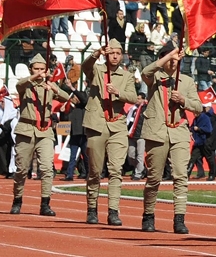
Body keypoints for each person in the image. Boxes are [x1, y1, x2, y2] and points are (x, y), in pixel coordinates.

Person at [140, 43, 202, 234]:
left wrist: (184, 100)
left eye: (177, 60)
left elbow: (198, 107)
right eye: (170, 60)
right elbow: (145, 72)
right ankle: (148, 215)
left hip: (179, 132)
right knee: (154, 178)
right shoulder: (155, 78)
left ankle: (179, 219)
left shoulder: (187, 81)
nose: (174, 63)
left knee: (181, 176)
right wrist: (169, 55)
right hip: (157, 132)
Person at [82, 40, 138, 226]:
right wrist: (97, 52)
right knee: (95, 171)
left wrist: (118, 92)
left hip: (117, 127)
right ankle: (92, 208)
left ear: (122, 55)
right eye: (111, 52)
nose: (114, 56)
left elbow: (133, 97)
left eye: (118, 53)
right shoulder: (97, 70)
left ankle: (113, 211)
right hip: (97, 124)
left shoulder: (127, 76)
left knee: (116, 170)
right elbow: (85, 66)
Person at [11, 54, 70, 216]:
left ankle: (45, 203)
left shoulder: (49, 86)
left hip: (45, 131)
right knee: (22, 169)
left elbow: (67, 98)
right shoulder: (26, 86)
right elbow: (19, 85)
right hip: (26, 130)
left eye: (42, 69)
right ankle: (17, 200)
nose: (39, 72)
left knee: (46, 168)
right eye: (36, 69)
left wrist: (53, 87)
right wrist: (35, 77)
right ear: (31, 70)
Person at [126, 93, 147, 180]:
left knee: (139, 155)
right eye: (136, 98)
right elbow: (128, 121)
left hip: (141, 135)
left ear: (143, 99)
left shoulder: (146, 109)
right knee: (131, 155)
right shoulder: (132, 109)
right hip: (131, 135)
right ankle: (142, 169)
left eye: (139, 99)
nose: (137, 100)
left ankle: (138, 174)